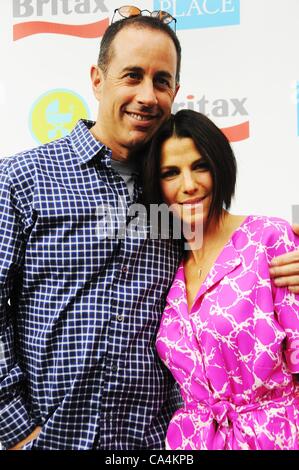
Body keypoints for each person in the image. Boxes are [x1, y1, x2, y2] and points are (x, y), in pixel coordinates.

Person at [0, 10, 298, 451]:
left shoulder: (175, 196)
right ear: (97, 79)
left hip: (160, 447)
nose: (146, 95)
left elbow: (237, 263)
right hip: (51, 441)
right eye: (131, 75)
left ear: (174, 91)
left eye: (161, 81)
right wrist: (18, 430)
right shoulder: (22, 180)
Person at [142, 109, 299, 450]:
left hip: (275, 439)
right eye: (171, 173)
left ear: (219, 166)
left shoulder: (270, 240)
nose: (189, 185)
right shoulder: (166, 263)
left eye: (200, 166)